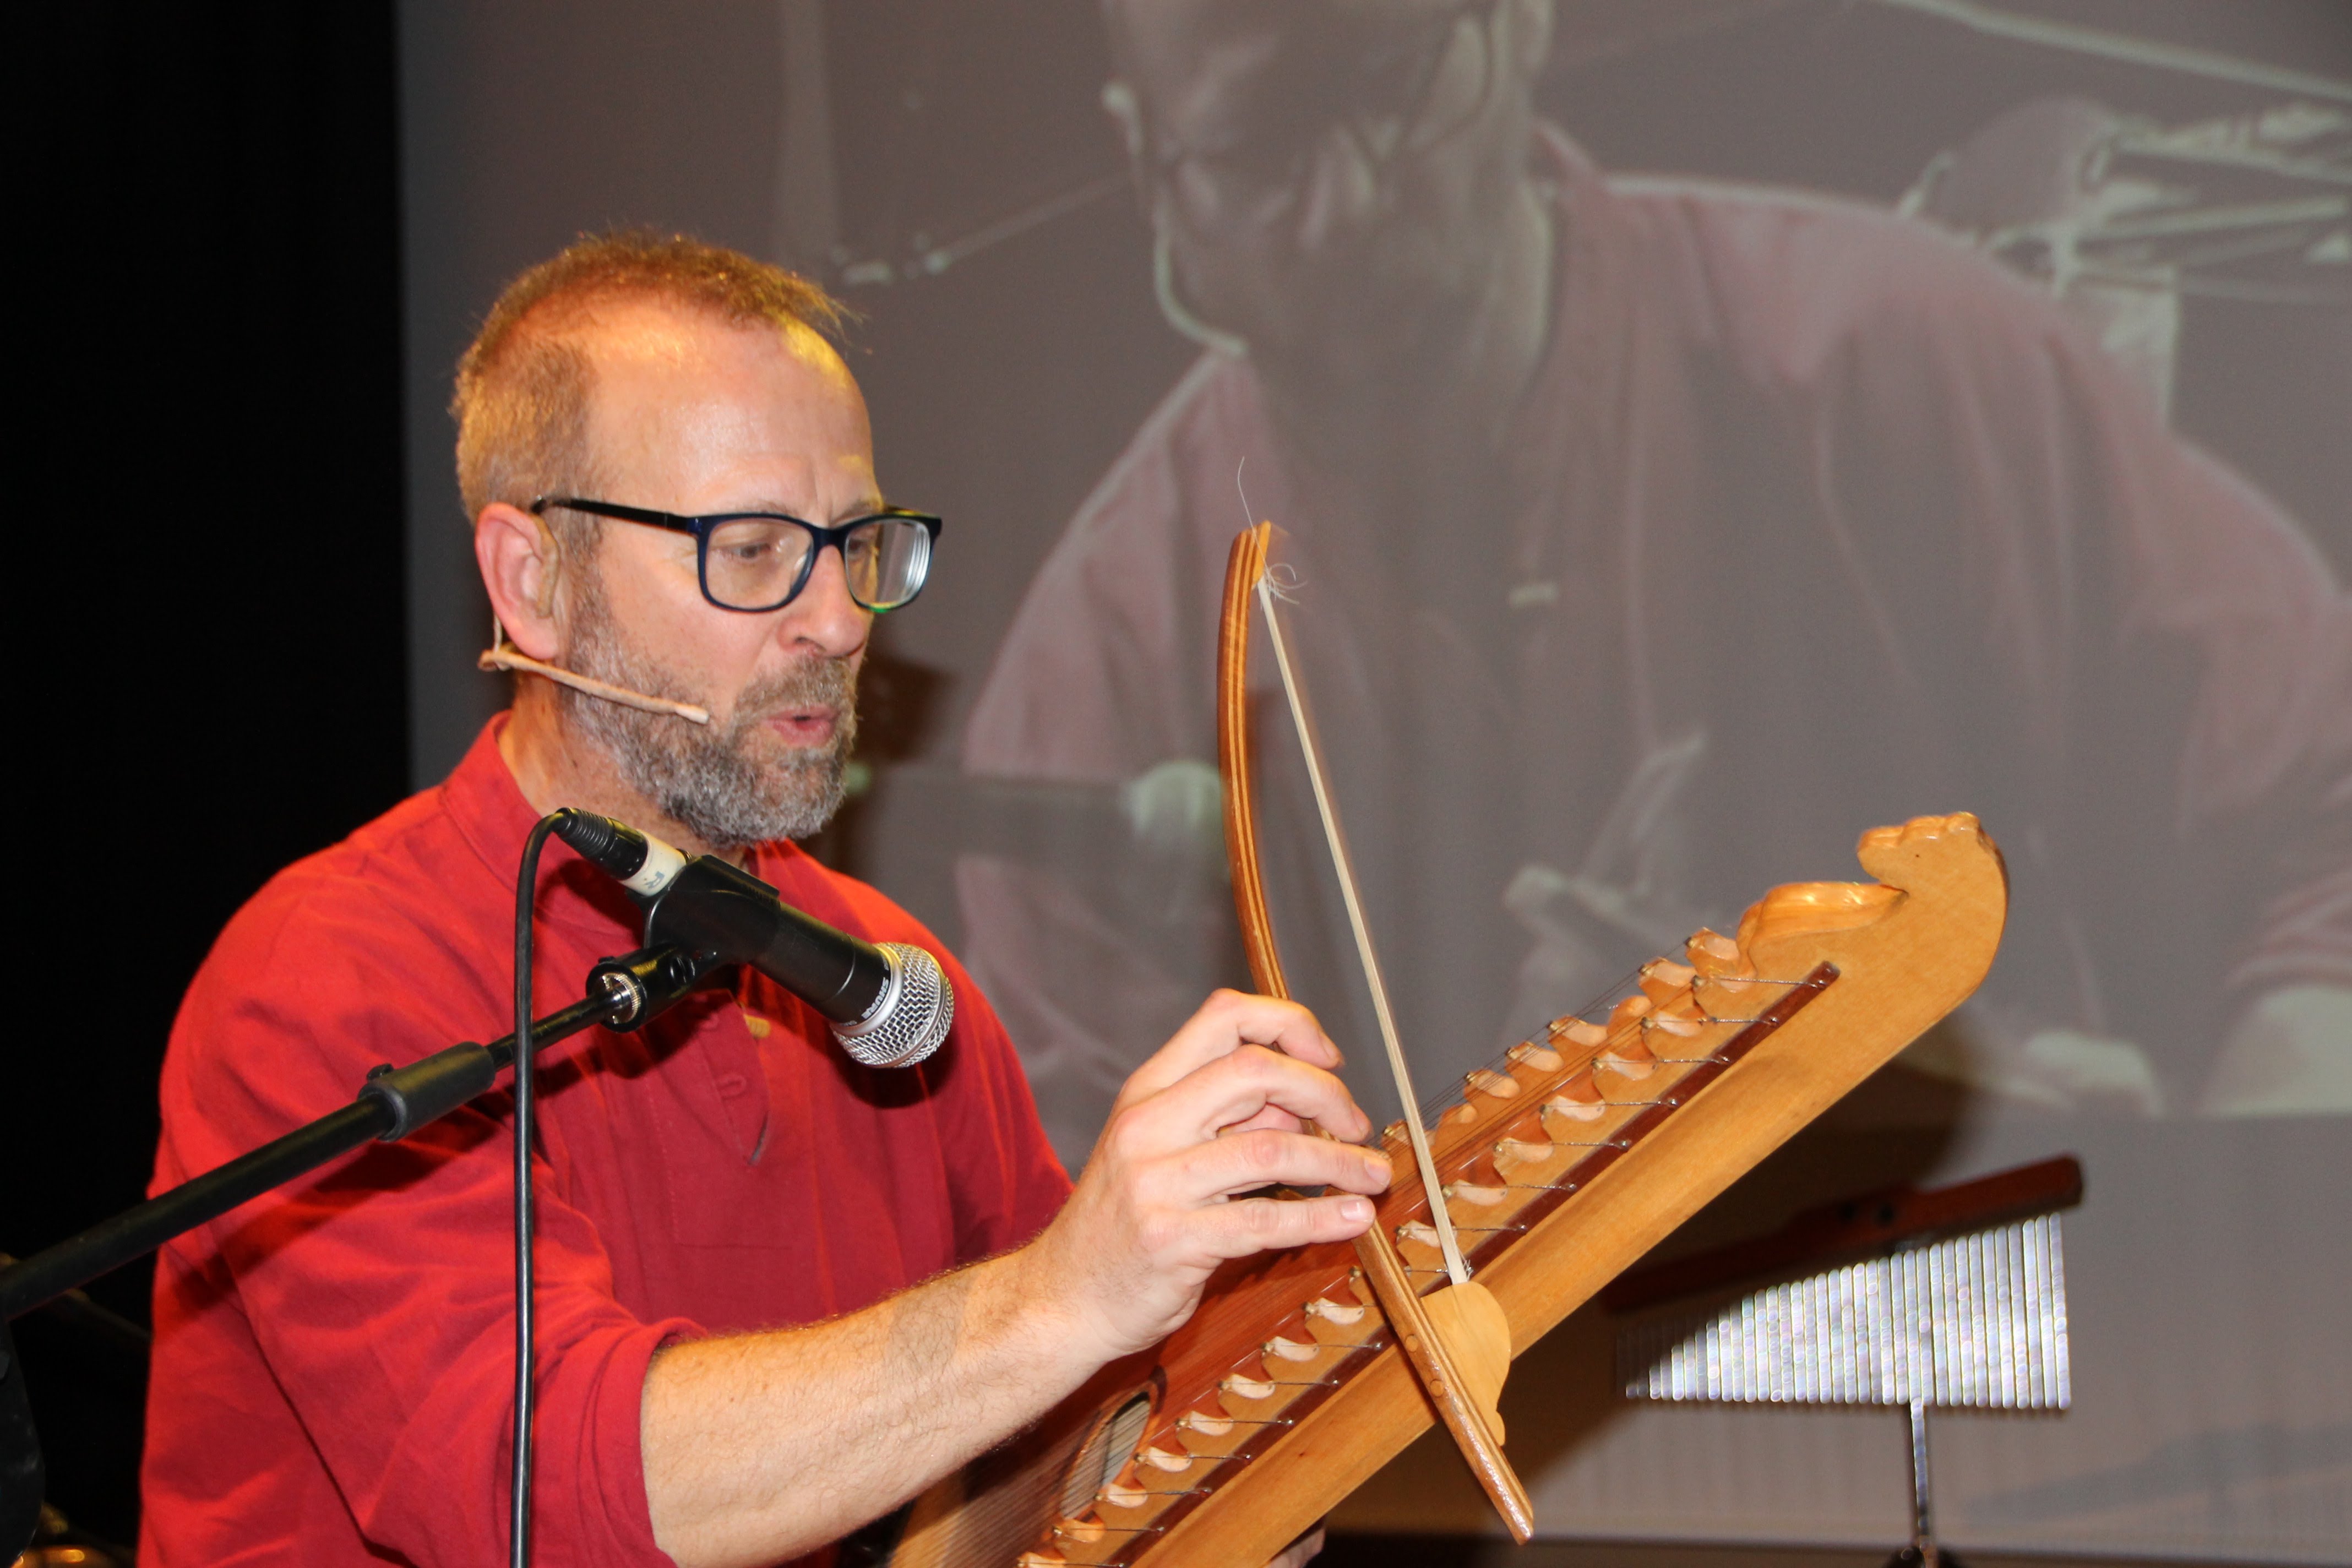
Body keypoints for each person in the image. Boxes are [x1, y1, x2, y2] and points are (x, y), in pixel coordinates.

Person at [140, 233, 1391, 1568]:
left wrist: (1237, 1411)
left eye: (857, 543)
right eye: (750, 549)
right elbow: (540, 1494)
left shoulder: (894, 982)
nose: (842, 620)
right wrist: (1059, 1298)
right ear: (532, 585)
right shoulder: (330, 972)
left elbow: (1022, 1471)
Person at [959, 0, 2351, 1166]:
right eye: (1259, 145)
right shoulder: (1112, 665)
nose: (1350, 205)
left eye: (1388, 87)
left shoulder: (1893, 366)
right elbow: (1125, 1323)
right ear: (1150, 163)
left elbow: (2323, 823)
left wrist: (2209, 1240)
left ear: (1515, 23)